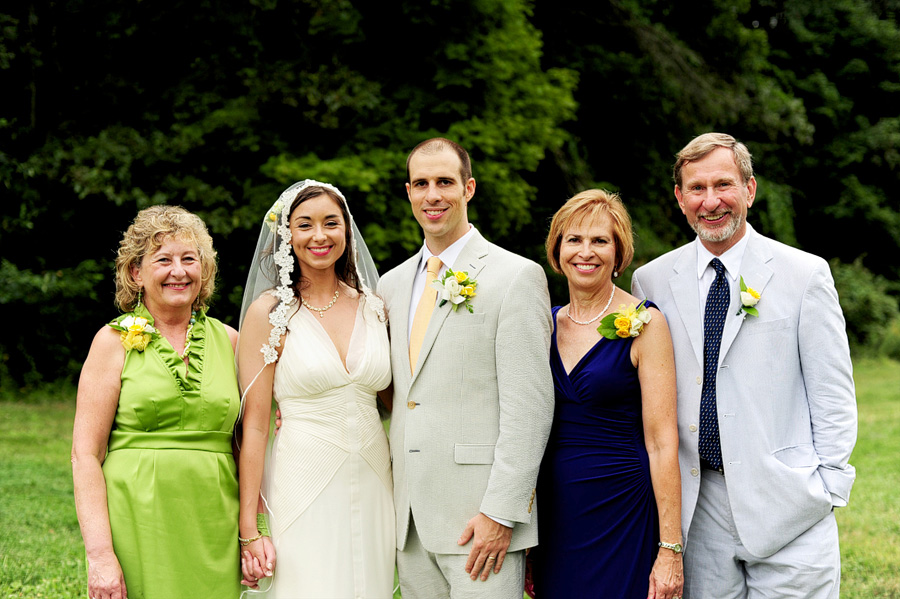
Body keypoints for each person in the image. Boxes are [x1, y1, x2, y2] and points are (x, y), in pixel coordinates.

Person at [631, 132, 858, 598]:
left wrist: (826, 488)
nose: (711, 201)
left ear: (749, 189)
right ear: (679, 197)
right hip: (699, 508)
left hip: (790, 506)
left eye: (724, 185)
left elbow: (832, 392)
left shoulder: (804, 274)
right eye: (696, 188)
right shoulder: (650, 280)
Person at [377, 137, 555, 599]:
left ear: (468, 188)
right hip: (410, 522)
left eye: (444, 182)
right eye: (421, 184)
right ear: (409, 192)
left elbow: (530, 408)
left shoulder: (515, 276)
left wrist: (501, 513)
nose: (432, 195)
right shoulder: (390, 285)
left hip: (480, 522)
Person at [72, 205, 245, 599]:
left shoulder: (233, 342)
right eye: (163, 260)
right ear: (136, 272)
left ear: (204, 270)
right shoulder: (111, 343)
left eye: (189, 259)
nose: (178, 271)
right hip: (136, 520)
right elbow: (85, 455)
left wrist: (254, 533)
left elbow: (249, 442)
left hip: (215, 522)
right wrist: (99, 555)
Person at [237, 180, 395, 598]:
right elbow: (254, 425)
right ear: (287, 234)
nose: (319, 236)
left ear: (347, 229)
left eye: (331, 223)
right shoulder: (269, 312)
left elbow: (401, 401)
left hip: (376, 474)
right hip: (302, 475)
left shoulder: (375, 306)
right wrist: (249, 529)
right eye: (305, 225)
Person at [531, 189, 683, 598]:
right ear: (557, 250)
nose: (586, 252)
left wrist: (670, 549)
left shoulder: (645, 323)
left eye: (600, 240)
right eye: (574, 240)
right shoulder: (543, 323)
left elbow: (663, 441)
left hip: (623, 507)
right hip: (556, 511)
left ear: (619, 253)